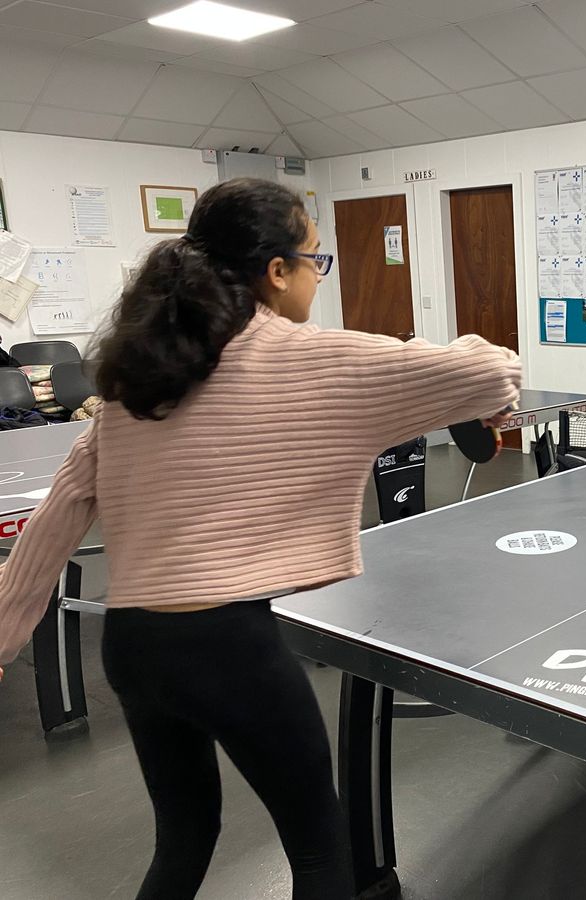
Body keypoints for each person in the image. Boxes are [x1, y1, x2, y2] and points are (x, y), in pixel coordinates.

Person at [0, 178, 522, 899]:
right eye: (317, 259)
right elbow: (494, 369)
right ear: (277, 271)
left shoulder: (140, 380)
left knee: (183, 837)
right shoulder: (321, 359)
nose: (318, 276)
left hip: (134, 645)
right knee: (318, 849)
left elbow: (59, 513)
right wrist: (460, 357)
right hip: (228, 650)